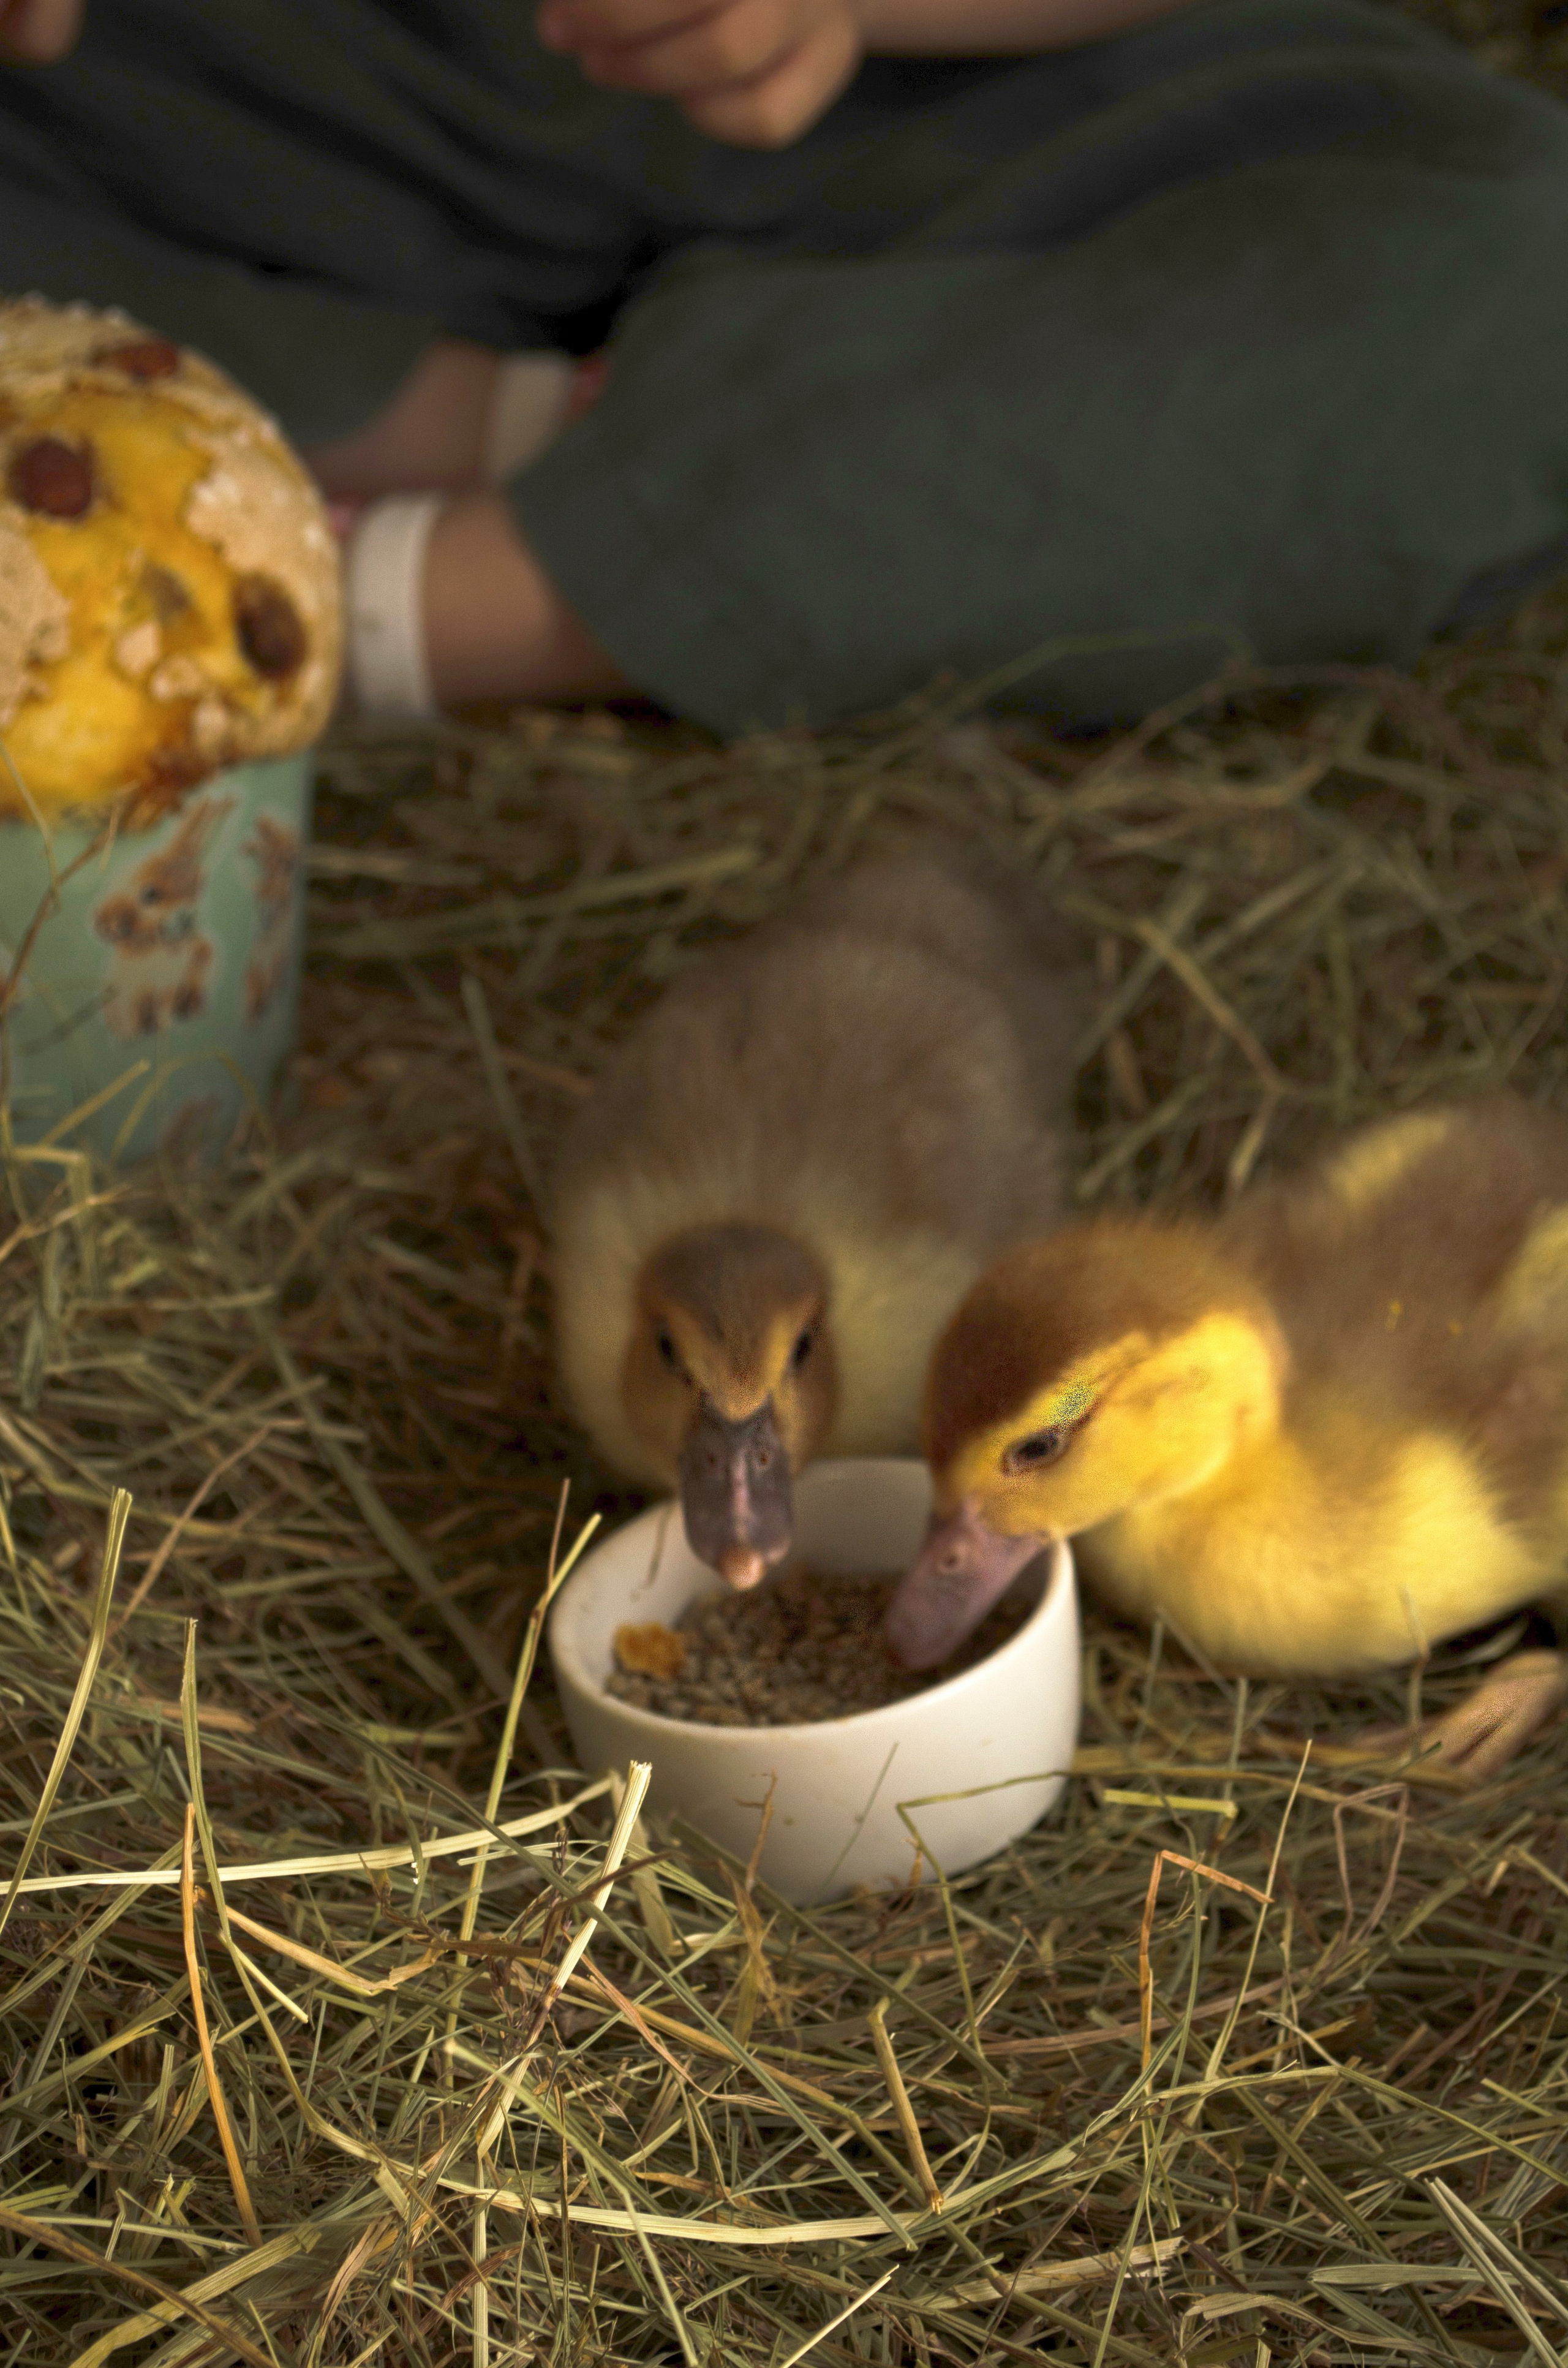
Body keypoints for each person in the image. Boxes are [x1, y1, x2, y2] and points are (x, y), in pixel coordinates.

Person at [3, 0, 1567, 731]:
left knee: (1522, 281)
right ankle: (457, 436)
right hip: (247, 84)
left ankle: (301, 626)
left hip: (947, 108)